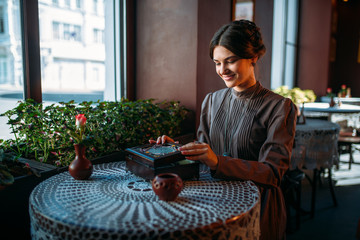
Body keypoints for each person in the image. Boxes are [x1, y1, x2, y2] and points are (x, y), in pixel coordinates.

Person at [150, 20, 297, 240]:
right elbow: (203, 153)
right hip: (214, 203)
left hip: (258, 208)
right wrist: (175, 149)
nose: (222, 70)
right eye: (217, 63)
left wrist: (218, 162)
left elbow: (273, 173)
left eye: (231, 61)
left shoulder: (279, 107)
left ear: (253, 57)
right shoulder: (211, 101)